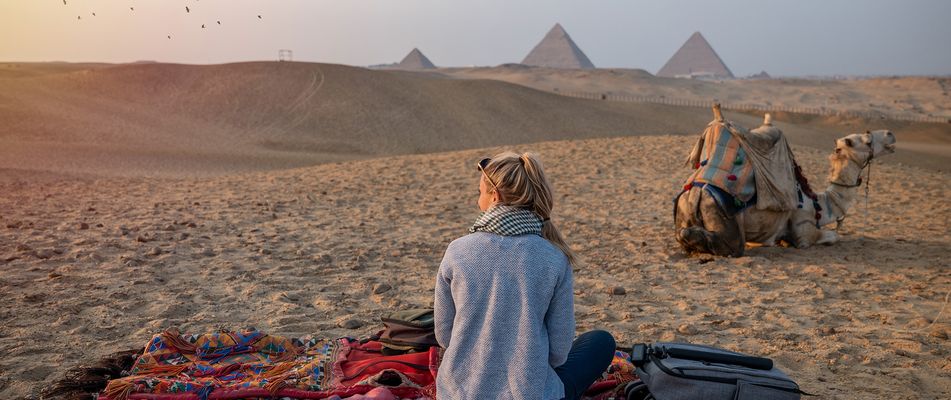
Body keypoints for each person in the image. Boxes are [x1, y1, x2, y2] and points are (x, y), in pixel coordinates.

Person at [433, 152, 616, 400]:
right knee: (600, 342)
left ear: (494, 195)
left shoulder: (457, 250)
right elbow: (559, 354)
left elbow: (444, 336)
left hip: (459, 393)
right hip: (529, 393)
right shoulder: (554, 257)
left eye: (480, 193)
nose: (478, 201)